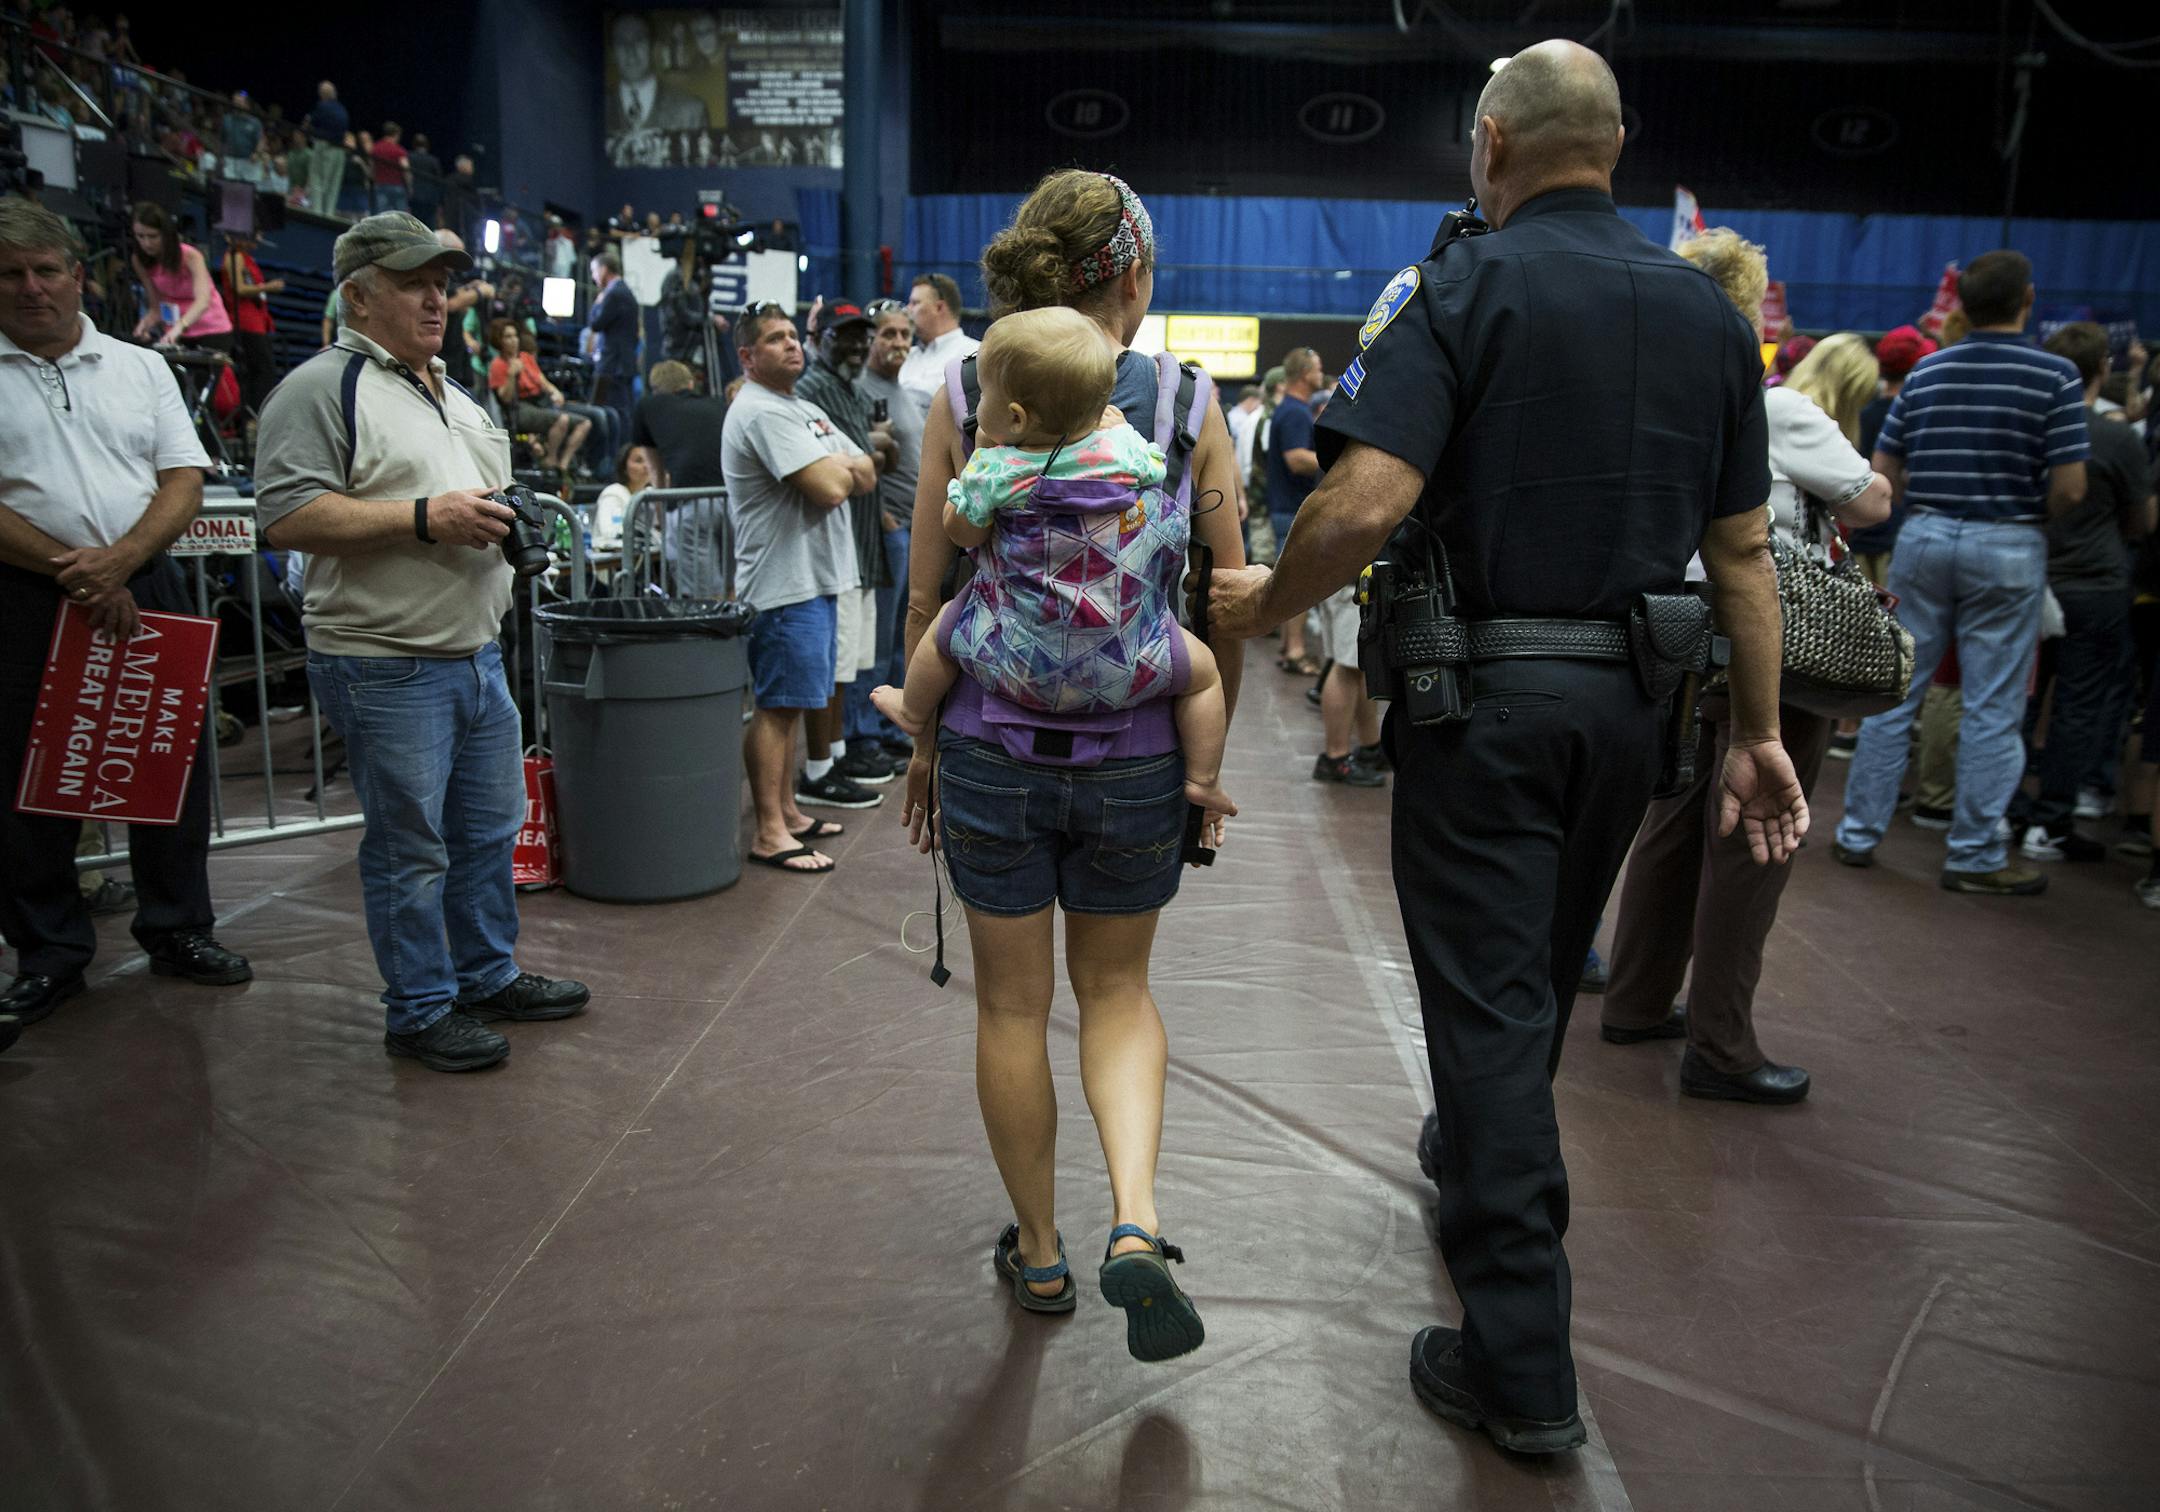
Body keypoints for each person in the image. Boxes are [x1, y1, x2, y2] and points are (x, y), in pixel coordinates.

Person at [1206, 42, 1800, 1455]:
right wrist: (1759, 734)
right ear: (1614, 146)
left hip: (1489, 713)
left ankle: (1520, 1363)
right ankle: (1476, 1150)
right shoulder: (1714, 317)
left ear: (1490, 145)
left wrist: (1264, 597)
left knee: (1487, 1010)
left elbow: (1360, 505)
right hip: (1633, 718)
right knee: (1529, 980)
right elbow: (1747, 559)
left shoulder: (1460, 286)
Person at [898, 169, 1248, 1361]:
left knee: (1010, 1004)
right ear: (1134, 276)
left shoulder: (965, 384)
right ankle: (1137, 1225)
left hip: (992, 739)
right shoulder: (1191, 403)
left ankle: (1040, 1252)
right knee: (1118, 995)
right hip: (1140, 758)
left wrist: (924, 749)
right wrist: (1204, 771)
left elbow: (928, 589)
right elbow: (1223, 596)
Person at [252, 212, 591, 1073]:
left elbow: (464, 499)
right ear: (357, 295)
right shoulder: (319, 388)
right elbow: (286, 516)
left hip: (474, 653)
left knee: (486, 832)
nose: (436, 297)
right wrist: (424, 517)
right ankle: (420, 1007)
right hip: (383, 660)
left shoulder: (451, 391)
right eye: (413, 282)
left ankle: (484, 973)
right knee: (412, 848)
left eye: (441, 281)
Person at [1601, 249, 1892, 1107]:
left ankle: (1635, 998)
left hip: (1673, 629)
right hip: (1766, 638)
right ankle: (1722, 1045)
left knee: (1674, 818)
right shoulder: (1779, 407)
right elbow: (1871, 504)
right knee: (1757, 834)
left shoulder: (1647, 398)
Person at [1, 194, 254, 1046]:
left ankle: (179, 926)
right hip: (26, 596)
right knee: (27, 779)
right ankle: (48, 952)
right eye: (11, 274)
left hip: (144, 583)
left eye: (45, 271)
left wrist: (116, 562)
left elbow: (183, 477)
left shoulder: (142, 366)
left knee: (167, 768)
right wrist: (77, 571)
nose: (31, 287)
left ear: (78, 277)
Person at [870, 304, 1238, 825]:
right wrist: (1111, 430)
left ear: (1015, 417)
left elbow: (962, 532)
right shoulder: (1127, 452)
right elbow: (1155, 471)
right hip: (1129, 660)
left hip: (1015, 666)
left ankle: (911, 709)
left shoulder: (996, 468)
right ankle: (1204, 779)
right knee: (1202, 677)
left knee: (944, 625)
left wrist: (975, 466)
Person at [1833, 250, 2091, 895]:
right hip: (2009, 542)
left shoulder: (1925, 374)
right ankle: (1974, 854)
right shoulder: (2056, 377)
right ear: (2027, 299)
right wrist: (2033, 518)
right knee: (1994, 707)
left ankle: (1857, 834)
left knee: (1896, 692)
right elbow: (2070, 489)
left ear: (1963, 306)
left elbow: (1883, 471)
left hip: (1924, 536)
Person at [721, 304, 875, 872]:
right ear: (747, 356)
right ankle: (767, 831)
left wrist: (839, 465)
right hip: (784, 586)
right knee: (778, 709)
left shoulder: (800, 407)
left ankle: (787, 812)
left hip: (816, 577)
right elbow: (834, 485)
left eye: (792, 335)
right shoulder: (761, 412)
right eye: (774, 339)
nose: (791, 345)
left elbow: (867, 470)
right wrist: (837, 464)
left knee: (791, 704)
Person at [2011, 323, 2154, 863]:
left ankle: (2005, 809)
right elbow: (2143, 520)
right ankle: (2050, 821)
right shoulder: (2118, 439)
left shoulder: (2028, 426)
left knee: (2017, 701)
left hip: (2036, 572)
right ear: (2103, 369)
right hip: (2095, 582)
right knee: (2079, 705)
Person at [793, 300, 900, 796]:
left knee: (852, 662)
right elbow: (858, 467)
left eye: (862, 336)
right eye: (845, 336)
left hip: (860, 544)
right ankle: (824, 765)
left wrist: (869, 453)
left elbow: (869, 459)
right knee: (834, 667)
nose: (857, 345)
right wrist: (870, 452)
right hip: (834, 549)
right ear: (818, 338)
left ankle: (837, 755)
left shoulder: (846, 388)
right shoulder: (813, 388)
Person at [855, 300, 925, 761]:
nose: (899, 342)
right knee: (877, 637)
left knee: (901, 636)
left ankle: (890, 724)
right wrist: (881, 515)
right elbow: (858, 458)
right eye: (889, 334)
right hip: (888, 530)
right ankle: (865, 732)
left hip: (911, 530)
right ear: (870, 340)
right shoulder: (861, 390)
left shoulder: (905, 391)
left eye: (904, 334)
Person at [630, 358, 727, 592]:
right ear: (691, 384)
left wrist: (662, 520)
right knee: (734, 591)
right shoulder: (719, 405)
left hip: (690, 505)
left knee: (704, 599)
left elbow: (656, 472)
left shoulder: (647, 406)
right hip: (731, 501)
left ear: (655, 389)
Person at [1265, 347, 1323, 675]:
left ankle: (1289, 647)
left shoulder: (1289, 410)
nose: (1321, 374)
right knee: (1298, 583)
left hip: (1284, 506)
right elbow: (1297, 458)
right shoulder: (1296, 413)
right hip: (1292, 508)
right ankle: (1297, 650)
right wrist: (1336, 462)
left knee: (1288, 581)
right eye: (1318, 369)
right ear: (1304, 373)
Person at [128, 203, 232, 355]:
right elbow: (155, 308)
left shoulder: (191, 256)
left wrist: (180, 326)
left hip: (211, 329)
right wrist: (144, 324)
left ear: (166, 234)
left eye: (152, 236)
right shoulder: (139, 260)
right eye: (140, 236)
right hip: (173, 334)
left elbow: (203, 301)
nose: (146, 243)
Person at [487, 318, 588, 473]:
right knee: (562, 420)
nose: (513, 340)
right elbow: (505, 399)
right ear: (499, 341)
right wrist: (511, 376)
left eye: (514, 336)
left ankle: (563, 463)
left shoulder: (526, 358)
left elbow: (542, 381)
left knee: (584, 423)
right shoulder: (498, 365)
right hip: (518, 407)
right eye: (507, 337)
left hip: (540, 401)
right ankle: (550, 461)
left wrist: (554, 391)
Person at [216, 227, 284, 420]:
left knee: (263, 370)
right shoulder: (235, 256)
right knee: (261, 370)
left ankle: (257, 416)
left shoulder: (245, 257)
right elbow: (239, 287)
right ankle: (254, 418)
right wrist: (267, 287)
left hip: (256, 320)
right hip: (246, 323)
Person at [896, 271, 980, 413]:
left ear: (939, 307)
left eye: (915, 303)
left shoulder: (973, 353)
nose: (907, 310)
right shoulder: (907, 354)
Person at [586, 248, 639, 442]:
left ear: (604, 269)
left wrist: (598, 303)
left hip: (612, 366)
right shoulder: (624, 291)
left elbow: (596, 324)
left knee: (614, 414)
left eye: (594, 271)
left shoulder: (614, 294)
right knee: (621, 412)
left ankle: (615, 459)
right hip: (621, 364)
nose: (593, 277)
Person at [592, 442, 663, 553]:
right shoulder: (613, 493)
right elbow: (610, 533)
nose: (646, 466)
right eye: (638, 461)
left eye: (649, 461)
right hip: (613, 562)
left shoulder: (651, 494)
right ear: (624, 467)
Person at [369, 121, 411, 214]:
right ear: (396, 134)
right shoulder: (399, 151)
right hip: (397, 187)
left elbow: (371, 168)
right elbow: (406, 170)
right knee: (401, 217)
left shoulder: (375, 148)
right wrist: (409, 187)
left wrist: (373, 181)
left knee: (380, 215)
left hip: (380, 185)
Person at [405, 132, 442, 226]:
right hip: (430, 198)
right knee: (429, 225)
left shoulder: (409, 157)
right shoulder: (433, 160)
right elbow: (438, 180)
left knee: (414, 224)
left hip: (414, 196)